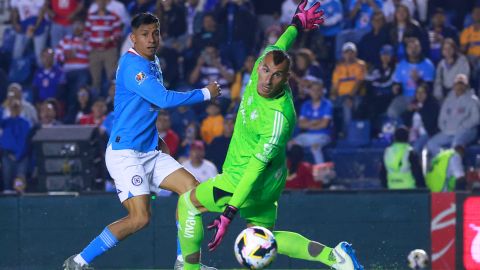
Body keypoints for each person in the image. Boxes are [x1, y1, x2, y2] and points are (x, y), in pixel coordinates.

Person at [175, 2, 363, 270]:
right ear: (260, 64)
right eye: (265, 70)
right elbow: (281, 44)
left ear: (286, 79)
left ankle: (190, 269)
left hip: (244, 179)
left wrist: (229, 212)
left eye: (277, 76)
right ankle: (334, 257)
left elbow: (255, 167)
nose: (267, 79)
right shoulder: (268, 58)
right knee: (264, 238)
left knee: (188, 205)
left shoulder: (279, 118)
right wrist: (297, 24)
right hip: (269, 184)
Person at [62, 12, 220, 270]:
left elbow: (140, 108)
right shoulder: (133, 66)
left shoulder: (153, 60)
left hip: (149, 149)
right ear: (133, 38)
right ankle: (78, 262)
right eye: (145, 34)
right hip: (125, 153)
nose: (151, 39)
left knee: (192, 192)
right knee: (140, 218)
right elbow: (163, 100)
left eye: (155, 33)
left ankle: (185, 263)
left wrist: (156, 138)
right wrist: (205, 93)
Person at [426, 73, 480, 156]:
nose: (459, 87)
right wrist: (445, 128)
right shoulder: (448, 99)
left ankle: (455, 166)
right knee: (431, 143)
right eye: (457, 84)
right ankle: (444, 161)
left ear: (466, 85)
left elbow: (476, 118)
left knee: (456, 144)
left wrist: (463, 126)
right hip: (448, 131)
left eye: (462, 84)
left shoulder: (472, 99)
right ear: (454, 85)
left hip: (466, 131)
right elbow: (441, 118)